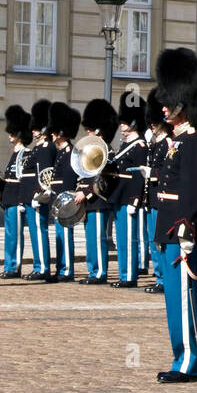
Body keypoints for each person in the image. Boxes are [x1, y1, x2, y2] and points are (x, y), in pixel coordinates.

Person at [152, 47, 197, 383]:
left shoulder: (193, 143)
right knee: (173, 303)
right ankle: (180, 356)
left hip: (181, 233)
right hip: (168, 229)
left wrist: (186, 235)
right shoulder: (174, 142)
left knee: (183, 302)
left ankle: (189, 361)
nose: (163, 105)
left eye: (169, 99)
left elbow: (191, 192)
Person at [74, 98, 119, 285]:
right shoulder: (92, 148)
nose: (88, 133)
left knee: (98, 238)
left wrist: (86, 192)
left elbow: (102, 177)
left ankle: (100, 272)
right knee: (91, 238)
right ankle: (93, 270)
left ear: (99, 129)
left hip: (99, 200)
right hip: (90, 202)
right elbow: (85, 173)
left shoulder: (106, 149)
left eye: (91, 130)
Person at [109, 90, 148, 288]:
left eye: (125, 122)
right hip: (119, 195)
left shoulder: (140, 145)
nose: (122, 125)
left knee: (129, 239)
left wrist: (135, 200)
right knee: (121, 240)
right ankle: (124, 273)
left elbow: (139, 177)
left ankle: (130, 276)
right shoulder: (124, 144)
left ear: (133, 123)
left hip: (129, 198)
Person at [0, 105, 32, 280]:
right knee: (9, 236)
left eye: (13, 132)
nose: (10, 135)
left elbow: (24, 181)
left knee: (15, 237)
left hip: (17, 200)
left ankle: (14, 267)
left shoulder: (26, 154)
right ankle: (8, 265)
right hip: (9, 199)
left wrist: (20, 202)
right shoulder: (14, 154)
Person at [47, 102, 81, 283]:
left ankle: (66, 270)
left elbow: (71, 179)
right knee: (60, 236)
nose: (51, 134)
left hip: (66, 200)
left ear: (61, 132)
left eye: (54, 131)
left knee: (65, 235)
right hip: (58, 200)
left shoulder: (70, 152)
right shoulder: (61, 152)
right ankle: (61, 267)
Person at [141, 90, 171, 295]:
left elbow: (168, 171)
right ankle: (159, 276)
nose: (152, 124)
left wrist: (153, 173)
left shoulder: (168, 142)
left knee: (160, 241)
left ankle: (164, 278)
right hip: (151, 198)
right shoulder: (156, 143)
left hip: (161, 198)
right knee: (154, 241)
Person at [22, 99, 54, 282]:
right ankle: (38, 264)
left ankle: (42, 267)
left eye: (36, 129)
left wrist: (38, 194)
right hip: (31, 198)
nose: (33, 132)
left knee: (39, 232)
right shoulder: (38, 148)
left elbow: (45, 176)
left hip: (37, 198)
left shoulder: (45, 148)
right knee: (34, 233)